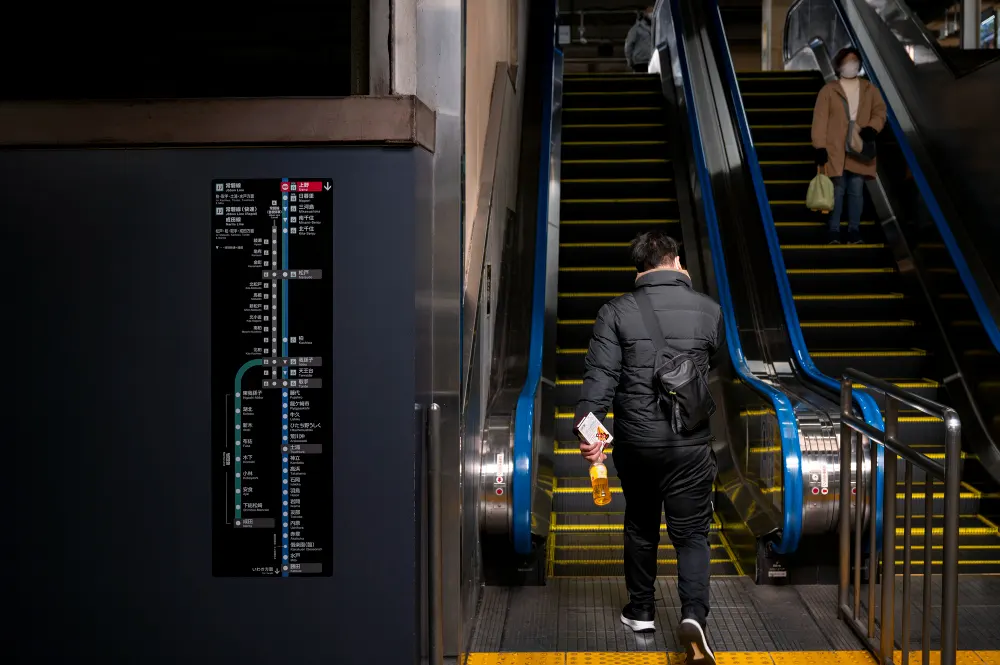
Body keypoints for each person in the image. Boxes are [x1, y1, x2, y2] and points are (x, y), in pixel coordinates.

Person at [575, 230, 725, 665]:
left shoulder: (615, 312)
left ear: (638, 268)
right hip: (690, 445)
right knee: (693, 534)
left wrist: (592, 442)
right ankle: (694, 616)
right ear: (676, 261)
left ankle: (641, 610)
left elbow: (597, 385)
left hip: (637, 445)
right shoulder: (708, 309)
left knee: (641, 525)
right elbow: (710, 361)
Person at [811, 47, 887, 245]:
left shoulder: (870, 90)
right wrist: (819, 146)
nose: (851, 65)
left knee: (856, 190)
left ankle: (854, 230)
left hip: (858, 146)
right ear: (839, 65)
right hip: (835, 147)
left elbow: (880, 112)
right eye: (847, 61)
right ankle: (834, 230)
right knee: (837, 189)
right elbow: (820, 120)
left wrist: (872, 128)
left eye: (855, 61)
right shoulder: (828, 91)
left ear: (860, 65)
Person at [625, 7, 654, 73]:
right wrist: (630, 61)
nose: (651, 14)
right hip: (640, 63)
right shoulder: (636, 29)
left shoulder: (656, 28)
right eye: (650, 12)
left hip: (653, 61)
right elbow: (629, 45)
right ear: (645, 14)